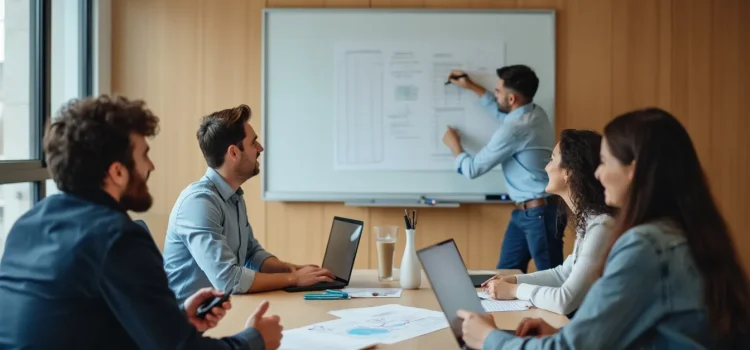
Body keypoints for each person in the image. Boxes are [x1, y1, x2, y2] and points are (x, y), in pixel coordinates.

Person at [0, 95, 283, 349]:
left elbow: (76, 325)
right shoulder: (116, 237)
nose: (151, 166)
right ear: (117, 172)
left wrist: (173, 319)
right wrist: (253, 340)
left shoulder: (28, 224)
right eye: (144, 155)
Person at [457, 108, 750, 349]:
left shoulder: (644, 245)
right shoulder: (678, 231)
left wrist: (489, 339)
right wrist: (561, 335)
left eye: (605, 162)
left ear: (632, 170)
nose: (597, 172)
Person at [163, 104, 335, 304]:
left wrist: (293, 269)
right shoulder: (199, 203)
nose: (260, 148)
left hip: (218, 310)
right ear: (234, 153)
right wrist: (294, 279)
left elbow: (251, 254)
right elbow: (229, 280)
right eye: (254, 143)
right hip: (186, 321)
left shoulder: (233, 195)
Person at [443, 64, 564, 272]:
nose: (494, 94)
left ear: (511, 99)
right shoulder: (535, 113)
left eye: (497, 91)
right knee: (505, 275)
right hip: (527, 213)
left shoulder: (514, 129)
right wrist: (471, 86)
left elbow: (473, 169)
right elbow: (501, 112)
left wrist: (455, 146)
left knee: (552, 278)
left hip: (539, 214)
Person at [482, 129, 615, 317]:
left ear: (569, 171)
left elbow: (565, 301)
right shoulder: (589, 219)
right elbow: (563, 274)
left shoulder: (601, 226)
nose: (546, 167)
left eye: (552, 159)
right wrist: (514, 280)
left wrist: (513, 291)